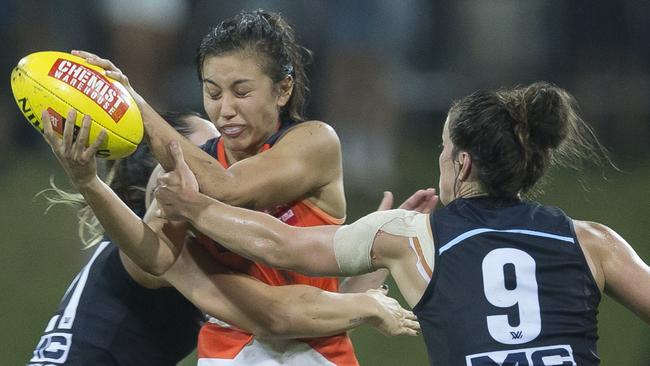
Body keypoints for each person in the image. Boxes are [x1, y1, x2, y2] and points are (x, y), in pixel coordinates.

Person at [154, 81, 650, 365]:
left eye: (443, 147)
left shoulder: (411, 237)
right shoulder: (593, 241)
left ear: (463, 164)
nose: (439, 157)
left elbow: (282, 245)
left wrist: (196, 208)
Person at [69, 9, 435, 365]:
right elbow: (157, 258)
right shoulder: (188, 168)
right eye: (212, 93)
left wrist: (136, 107)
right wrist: (90, 182)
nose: (225, 109)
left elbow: (229, 189)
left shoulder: (314, 143)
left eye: (241, 92)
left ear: (283, 89)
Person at [38, 108, 424, 364]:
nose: (217, 159)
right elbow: (276, 316)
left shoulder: (197, 242)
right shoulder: (158, 252)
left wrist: (376, 256)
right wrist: (368, 306)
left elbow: (303, 319)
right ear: (158, 183)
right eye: (201, 154)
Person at [28, 111, 214, 366]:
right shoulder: (150, 249)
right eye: (208, 152)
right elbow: (152, 261)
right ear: (162, 171)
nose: (220, 160)